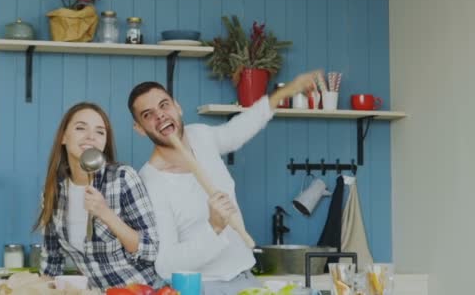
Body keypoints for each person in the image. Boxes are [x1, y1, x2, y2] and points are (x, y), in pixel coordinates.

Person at [127, 71, 319, 294]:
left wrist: (286, 91)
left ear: (177, 106)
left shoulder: (200, 136)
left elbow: (238, 129)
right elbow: (166, 265)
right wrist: (214, 227)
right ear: (139, 129)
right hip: (203, 286)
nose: (160, 115)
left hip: (245, 277)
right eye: (148, 115)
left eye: (164, 105)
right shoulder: (151, 182)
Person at [34, 102, 162, 290]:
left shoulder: (123, 178)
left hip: (142, 291)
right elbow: (52, 264)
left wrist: (105, 214)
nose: (91, 137)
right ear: (63, 137)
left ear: (104, 142)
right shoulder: (54, 192)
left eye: (100, 132)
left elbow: (150, 251)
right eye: (80, 128)